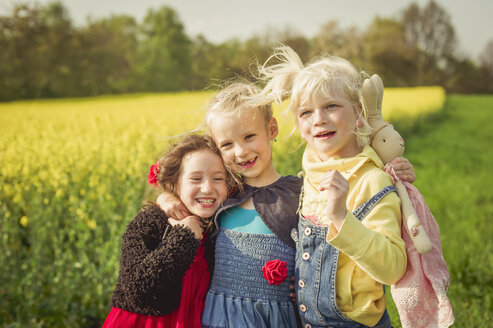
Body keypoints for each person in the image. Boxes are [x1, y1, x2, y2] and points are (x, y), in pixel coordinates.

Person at [258, 45, 408, 328]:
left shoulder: (370, 180)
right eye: (305, 112)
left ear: (359, 111)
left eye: (331, 106)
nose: (319, 119)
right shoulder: (309, 177)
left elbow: (394, 268)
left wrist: (341, 217)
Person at [159, 82, 303, 327]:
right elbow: (185, 186)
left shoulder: (297, 193)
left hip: (275, 318)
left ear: (272, 129)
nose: (241, 151)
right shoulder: (225, 195)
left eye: (249, 137)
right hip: (220, 318)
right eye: (227, 144)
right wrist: (166, 198)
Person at [102, 134, 235, 328]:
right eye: (196, 178)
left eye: (218, 178)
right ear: (175, 183)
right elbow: (137, 291)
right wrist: (184, 237)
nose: (207, 188)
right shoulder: (151, 221)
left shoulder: (218, 226)